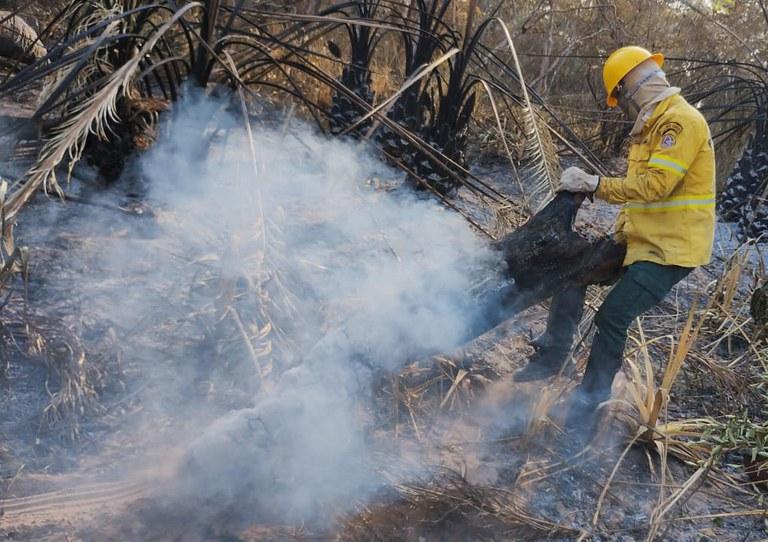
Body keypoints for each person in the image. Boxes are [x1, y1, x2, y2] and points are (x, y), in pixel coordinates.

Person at [512, 46, 716, 432]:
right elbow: (642, 199)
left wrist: (595, 184)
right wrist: (613, 235)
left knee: (613, 316)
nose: (620, 106)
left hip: (671, 252)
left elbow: (654, 186)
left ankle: (588, 406)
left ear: (632, 86)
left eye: (619, 96)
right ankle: (553, 353)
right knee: (574, 268)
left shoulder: (681, 122)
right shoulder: (651, 126)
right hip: (641, 240)